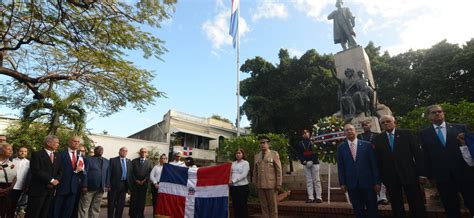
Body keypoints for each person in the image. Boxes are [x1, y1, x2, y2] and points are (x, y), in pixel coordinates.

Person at [420, 105, 474, 217]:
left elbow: (469, 149)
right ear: (428, 116)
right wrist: (429, 175)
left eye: (439, 111)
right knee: (450, 206)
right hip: (442, 176)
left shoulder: (460, 128)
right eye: (433, 112)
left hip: (463, 173)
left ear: (443, 113)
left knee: (471, 201)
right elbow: (426, 155)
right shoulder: (424, 133)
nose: (437, 114)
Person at [373, 115, 427, 218]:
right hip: (390, 177)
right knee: (396, 204)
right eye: (383, 123)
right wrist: (381, 178)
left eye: (388, 121)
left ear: (394, 122)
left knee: (416, 202)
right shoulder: (378, 139)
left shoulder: (406, 134)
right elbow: (378, 160)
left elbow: (418, 155)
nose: (386, 124)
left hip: (410, 174)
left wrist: (422, 174)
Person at [337, 123, 380, 218]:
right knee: (358, 210)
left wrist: (377, 182)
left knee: (372, 209)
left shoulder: (367, 145)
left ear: (355, 131)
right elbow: (341, 167)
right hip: (352, 184)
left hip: (368, 183)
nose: (349, 131)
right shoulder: (341, 148)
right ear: (344, 133)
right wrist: (342, 183)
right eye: (347, 130)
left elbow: (374, 164)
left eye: (351, 129)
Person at [26, 135, 63, 218]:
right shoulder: (37, 154)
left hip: (50, 190)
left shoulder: (58, 156)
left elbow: (60, 171)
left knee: (44, 213)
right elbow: (36, 170)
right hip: (38, 190)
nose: (58, 144)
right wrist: (51, 180)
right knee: (33, 213)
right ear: (48, 143)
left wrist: (56, 180)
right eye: (56, 142)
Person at [51, 136, 85, 218]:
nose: (76, 143)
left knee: (68, 211)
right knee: (56, 210)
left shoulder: (80, 156)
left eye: (78, 142)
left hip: (73, 188)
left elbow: (83, 172)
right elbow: (56, 171)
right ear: (69, 142)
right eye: (74, 141)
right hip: (61, 187)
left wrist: (81, 170)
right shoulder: (60, 154)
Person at [357, 120, 388, 205]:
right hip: (366, 159)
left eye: (366, 124)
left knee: (380, 178)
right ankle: (376, 197)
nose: (365, 126)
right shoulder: (360, 136)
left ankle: (383, 197)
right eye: (363, 125)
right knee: (371, 178)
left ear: (370, 125)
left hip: (376, 158)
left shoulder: (377, 135)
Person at [252, 135, 282, 218]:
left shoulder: (274, 154)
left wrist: (279, 183)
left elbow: (278, 170)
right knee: (263, 206)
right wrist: (255, 182)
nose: (262, 144)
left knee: (273, 206)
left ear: (268, 144)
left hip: (271, 184)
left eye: (264, 143)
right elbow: (255, 171)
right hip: (260, 184)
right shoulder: (257, 156)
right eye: (261, 143)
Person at [78, 146, 110, 218]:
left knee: (96, 207)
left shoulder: (106, 161)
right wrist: (84, 185)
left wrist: (107, 185)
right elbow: (84, 173)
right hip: (89, 187)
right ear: (95, 151)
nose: (100, 150)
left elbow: (108, 174)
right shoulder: (88, 160)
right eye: (98, 149)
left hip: (101, 188)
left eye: (102, 149)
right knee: (84, 207)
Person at [295, 129, 322, 203]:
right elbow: (299, 154)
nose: (305, 134)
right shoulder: (300, 143)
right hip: (305, 163)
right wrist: (304, 161)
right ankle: (311, 197)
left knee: (317, 180)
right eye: (303, 133)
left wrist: (312, 161)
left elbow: (316, 152)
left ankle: (319, 197)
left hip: (314, 162)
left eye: (306, 133)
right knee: (309, 180)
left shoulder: (314, 141)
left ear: (309, 133)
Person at [129, 148, 153, 218]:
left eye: (145, 152)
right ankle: (133, 214)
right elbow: (131, 172)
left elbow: (150, 173)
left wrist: (145, 180)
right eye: (142, 152)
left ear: (147, 153)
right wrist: (136, 180)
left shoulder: (150, 162)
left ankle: (140, 214)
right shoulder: (134, 161)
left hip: (144, 184)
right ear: (139, 153)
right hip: (135, 184)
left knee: (142, 200)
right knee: (134, 200)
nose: (143, 153)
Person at [108, 147, 131, 218]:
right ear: (119, 151)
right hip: (114, 185)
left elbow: (130, 174)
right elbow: (109, 173)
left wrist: (129, 187)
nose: (124, 152)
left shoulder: (129, 161)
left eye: (126, 151)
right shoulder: (113, 160)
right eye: (123, 151)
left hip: (124, 185)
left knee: (121, 204)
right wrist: (108, 184)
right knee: (111, 203)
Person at [230, 148, 250, 218]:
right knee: (235, 205)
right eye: (236, 153)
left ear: (243, 154)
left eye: (239, 153)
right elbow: (230, 173)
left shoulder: (245, 163)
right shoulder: (233, 163)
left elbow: (244, 175)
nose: (238, 155)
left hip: (242, 187)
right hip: (233, 187)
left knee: (242, 205)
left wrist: (233, 180)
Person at [9, 147, 30, 216]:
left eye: (25, 151)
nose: (23, 153)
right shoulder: (11, 161)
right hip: (11, 186)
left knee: (18, 206)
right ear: (17, 152)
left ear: (27, 153)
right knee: (10, 205)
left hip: (22, 187)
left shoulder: (29, 163)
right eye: (21, 151)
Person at [0, 143, 16, 218]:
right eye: (8, 149)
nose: (11, 151)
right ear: (1, 150)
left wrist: (9, 189)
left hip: (7, 191)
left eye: (11, 150)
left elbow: (15, 177)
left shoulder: (12, 164)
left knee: (3, 212)